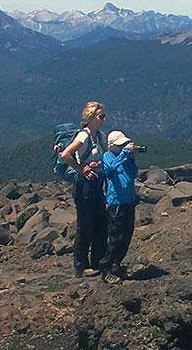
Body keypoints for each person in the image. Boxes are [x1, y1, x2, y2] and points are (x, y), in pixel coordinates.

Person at [59, 101, 108, 277]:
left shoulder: (100, 136)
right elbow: (65, 154)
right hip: (85, 185)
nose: (104, 119)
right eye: (101, 116)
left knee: (100, 223)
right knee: (85, 225)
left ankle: (98, 262)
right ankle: (81, 266)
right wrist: (80, 168)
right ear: (91, 117)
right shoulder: (84, 136)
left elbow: (106, 156)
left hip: (97, 182)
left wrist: (97, 164)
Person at [99, 130, 140, 284]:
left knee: (126, 235)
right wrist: (124, 154)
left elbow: (134, 173)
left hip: (129, 201)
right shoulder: (107, 156)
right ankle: (106, 268)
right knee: (115, 237)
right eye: (119, 145)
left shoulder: (126, 157)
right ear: (111, 145)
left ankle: (116, 264)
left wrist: (131, 158)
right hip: (116, 202)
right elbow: (109, 170)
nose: (123, 147)